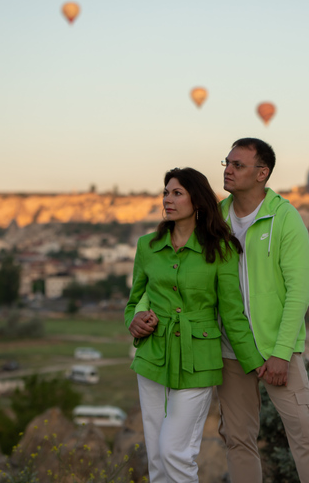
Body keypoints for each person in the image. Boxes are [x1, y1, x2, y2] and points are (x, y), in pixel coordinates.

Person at [125, 167, 264, 483]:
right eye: (166, 192)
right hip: (152, 357)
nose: (168, 200)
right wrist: (132, 321)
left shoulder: (221, 248)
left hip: (198, 359)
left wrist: (256, 363)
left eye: (177, 193)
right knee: (157, 458)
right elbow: (134, 302)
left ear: (198, 201)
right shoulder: (147, 246)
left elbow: (232, 313)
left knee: (175, 452)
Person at [217, 138, 309, 483]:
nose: (228, 169)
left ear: (261, 173)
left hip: (277, 350)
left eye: (238, 165)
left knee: (304, 434)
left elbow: (300, 290)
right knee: (237, 439)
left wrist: (282, 352)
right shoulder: (216, 218)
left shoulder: (285, 217)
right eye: (227, 162)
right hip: (231, 348)